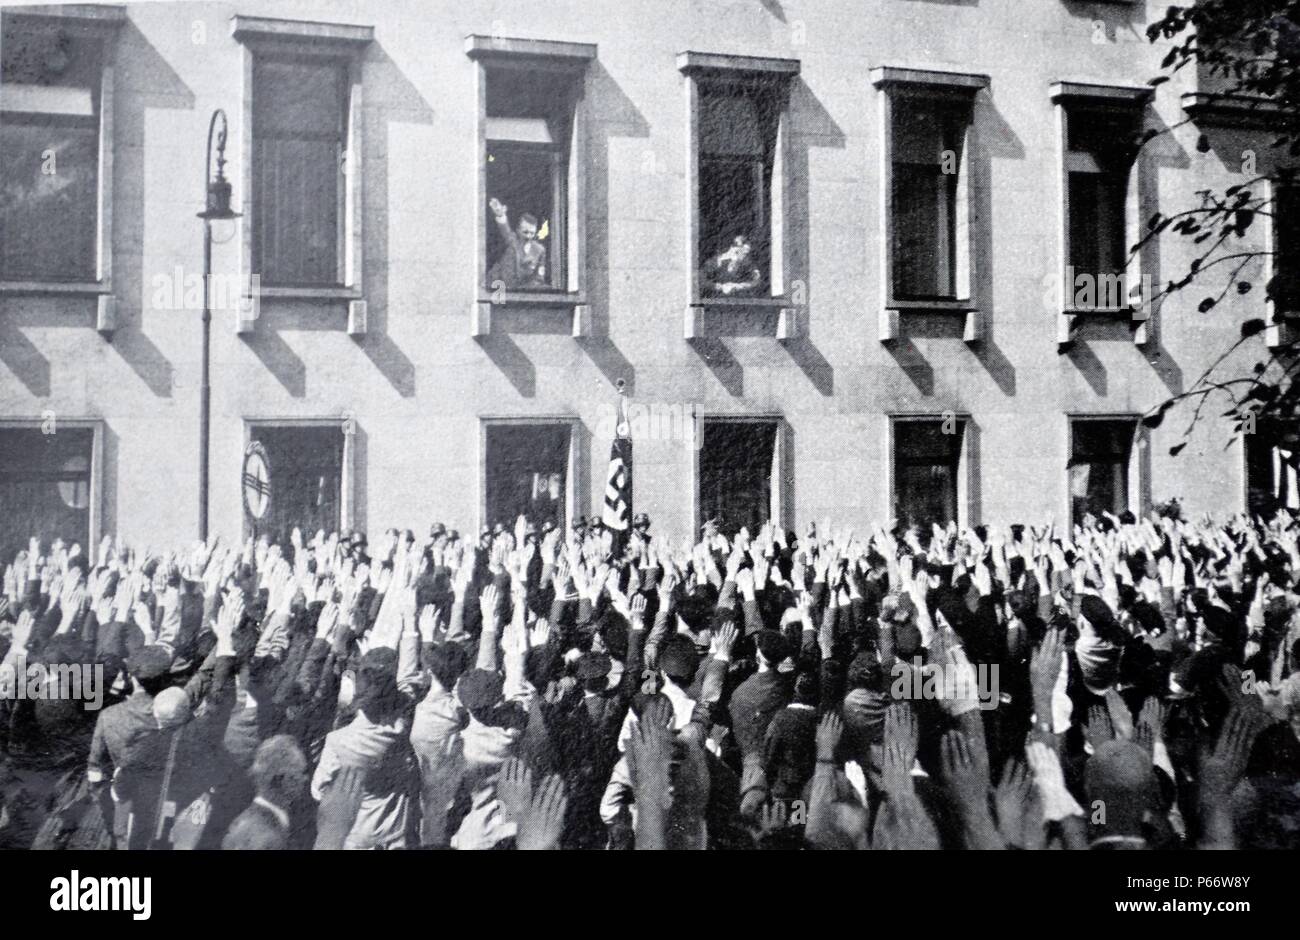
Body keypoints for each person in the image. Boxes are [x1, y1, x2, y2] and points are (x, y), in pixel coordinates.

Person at [487, 197, 547, 289]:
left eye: (532, 233)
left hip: (523, 292)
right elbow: (505, 231)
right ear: (518, 230)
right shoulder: (513, 241)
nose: (528, 236)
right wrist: (500, 215)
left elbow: (538, 278)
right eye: (525, 232)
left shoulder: (539, 250)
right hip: (500, 287)